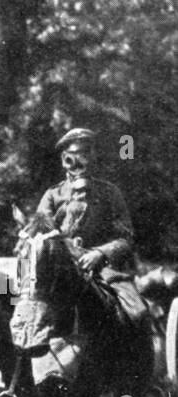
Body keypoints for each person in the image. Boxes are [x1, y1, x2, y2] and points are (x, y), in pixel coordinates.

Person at [11, 126, 149, 350]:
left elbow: (126, 238)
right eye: (76, 155)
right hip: (60, 269)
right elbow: (40, 233)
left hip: (103, 270)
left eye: (87, 153)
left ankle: (138, 376)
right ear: (66, 160)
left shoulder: (110, 193)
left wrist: (99, 253)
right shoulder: (53, 195)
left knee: (138, 312)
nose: (82, 161)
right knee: (29, 311)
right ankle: (21, 377)